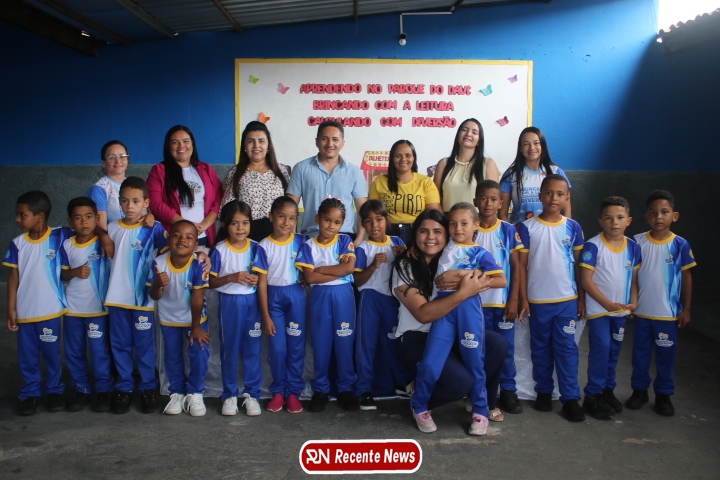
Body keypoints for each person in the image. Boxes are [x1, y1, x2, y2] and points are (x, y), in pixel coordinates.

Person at [391, 209, 508, 434]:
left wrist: (464, 276)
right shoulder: (406, 265)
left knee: (496, 345)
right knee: (459, 381)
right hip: (417, 336)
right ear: (415, 234)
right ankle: (420, 400)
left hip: (454, 327)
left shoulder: (451, 254)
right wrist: (464, 292)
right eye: (423, 231)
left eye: (438, 231)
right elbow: (423, 314)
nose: (430, 237)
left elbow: (495, 277)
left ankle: (481, 404)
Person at [517, 174, 585, 422]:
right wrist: (523, 298)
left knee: (566, 348)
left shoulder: (573, 227)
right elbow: (521, 266)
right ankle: (544, 391)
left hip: (567, 300)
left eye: (559, 194)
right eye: (548, 193)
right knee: (540, 348)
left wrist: (581, 299)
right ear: (540, 196)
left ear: (567, 197)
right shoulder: (526, 227)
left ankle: (570, 398)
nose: (553, 198)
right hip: (537, 301)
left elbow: (580, 267)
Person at [626, 190, 696, 417]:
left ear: (674, 216)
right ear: (646, 216)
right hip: (642, 313)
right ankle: (639, 391)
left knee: (666, 357)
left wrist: (686, 308)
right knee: (640, 355)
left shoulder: (680, 245)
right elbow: (631, 277)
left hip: (667, 315)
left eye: (664, 212)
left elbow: (686, 278)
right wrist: (629, 304)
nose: (659, 217)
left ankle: (664, 395)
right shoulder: (637, 242)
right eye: (653, 212)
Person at [104, 177, 168, 415]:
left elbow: (170, 253)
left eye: (135, 201)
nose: (129, 206)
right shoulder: (111, 228)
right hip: (116, 298)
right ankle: (124, 387)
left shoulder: (154, 228)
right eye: (124, 201)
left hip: (142, 299)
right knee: (120, 344)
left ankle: (148, 387)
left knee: (144, 346)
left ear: (146, 203)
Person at [4, 191, 70, 415]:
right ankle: (30, 393)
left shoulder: (59, 236)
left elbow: (87, 225)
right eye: (17, 215)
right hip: (25, 313)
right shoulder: (17, 244)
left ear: (39, 216)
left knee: (52, 354)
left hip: (50, 311)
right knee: (28, 356)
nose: (17, 219)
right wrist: (11, 309)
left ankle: (54, 390)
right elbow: (13, 278)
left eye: (22, 215)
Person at [579, 196, 641, 419]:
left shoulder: (633, 247)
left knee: (614, 350)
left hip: (620, 311)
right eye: (609, 218)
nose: (615, 222)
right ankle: (592, 395)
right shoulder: (593, 246)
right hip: (600, 310)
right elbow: (586, 280)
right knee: (602, 348)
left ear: (629, 220)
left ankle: (607, 390)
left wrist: (634, 302)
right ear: (600, 221)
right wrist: (607, 304)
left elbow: (634, 279)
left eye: (620, 217)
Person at [295, 198, 359, 412]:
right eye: (327, 220)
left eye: (337, 222)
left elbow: (348, 269)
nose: (331, 226)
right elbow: (310, 278)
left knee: (344, 343)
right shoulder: (308, 246)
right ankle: (321, 389)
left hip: (343, 296)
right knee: (321, 344)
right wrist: (333, 270)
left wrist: (321, 269)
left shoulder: (345, 241)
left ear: (342, 224)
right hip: (320, 296)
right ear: (317, 219)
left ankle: (346, 389)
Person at [352, 200, 411, 410]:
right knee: (366, 345)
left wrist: (403, 256)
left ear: (387, 220)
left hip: (392, 299)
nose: (374, 225)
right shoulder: (362, 248)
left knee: (394, 341)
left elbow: (408, 269)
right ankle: (364, 389)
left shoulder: (397, 242)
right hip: (369, 297)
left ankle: (402, 383)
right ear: (363, 224)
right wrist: (373, 265)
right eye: (368, 221)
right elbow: (357, 281)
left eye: (379, 219)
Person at [473, 180, 524, 418]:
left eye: (493, 199)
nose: (488, 203)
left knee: (506, 349)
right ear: (475, 201)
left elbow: (516, 267)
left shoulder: (508, 230)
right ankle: (481, 392)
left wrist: (513, 300)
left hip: (502, 303)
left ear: (501, 203)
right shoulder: (470, 229)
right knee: (479, 349)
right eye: (483, 198)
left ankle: (508, 390)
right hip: (475, 304)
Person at [149, 221, 210, 417]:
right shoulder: (159, 263)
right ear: (168, 239)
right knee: (172, 357)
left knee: (199, 352)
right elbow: (155, 295)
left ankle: (195, 392)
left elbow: (197, 297)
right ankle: (177, 392)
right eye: (176, 235)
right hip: (169, 319)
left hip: (196, 319)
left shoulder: (199, 264)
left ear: (195, 245)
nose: (182, 240)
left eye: (189, 237)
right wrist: (157, 284)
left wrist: (196, 328)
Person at [253, 196, 307, 414]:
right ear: (271, 217)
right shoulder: (263, 246)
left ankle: (293, 392)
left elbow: (312, 268)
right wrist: (265, 315)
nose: (287, 222)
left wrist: (307, 277)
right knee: (277, 349)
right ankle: (278, 391)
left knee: (296, 347)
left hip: (296, 297)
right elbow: (261, 283)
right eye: (282, 217)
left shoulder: (302, 242)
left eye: (292, 218)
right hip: (273, 299)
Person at [59, 197, 113, 413]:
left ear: (97, 218)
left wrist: (104, 235)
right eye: (78, 218)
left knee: (100, 352)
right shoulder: (66, 244)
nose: (84, 222)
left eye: (89, 217)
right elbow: (62, 273)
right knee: (74, 351)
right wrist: (74, 272)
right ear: (70, 222)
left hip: (97, 310)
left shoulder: (104, 243)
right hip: (72, 309)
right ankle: (81, 389)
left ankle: (104, 390)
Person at [208, 200, 262, 417]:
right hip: (230, 303)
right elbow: (210, 282)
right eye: (235, 223)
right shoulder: (220, 250)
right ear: (224, 225)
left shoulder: (257, 247)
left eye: (245, 223)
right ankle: (229, 395)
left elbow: (263, 276)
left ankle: (252, 394)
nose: (241, 228)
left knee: (252, 350)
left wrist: (256, 279)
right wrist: (231, 277)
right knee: (229, 349)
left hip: (252, 303)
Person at [287, 121, 368, 245]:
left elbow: (363, 210)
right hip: (311, 237)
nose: (330, 144)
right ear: (316, 141)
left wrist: (358, 240)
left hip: (345, 239)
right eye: (324, 138)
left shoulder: (354, 172)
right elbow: (290, 208)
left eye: (335, 139)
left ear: (343, 143)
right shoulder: (301, 169)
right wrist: (293, 241)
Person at [147, 125, 223, 246]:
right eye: (175, 142)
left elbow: (220, 199)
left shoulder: (206, 169)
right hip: (174, 238)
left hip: (204, 235)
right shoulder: (159, 171)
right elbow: (155, 204)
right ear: (168, 146)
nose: (181, 145)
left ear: (192, 144)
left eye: (185, 141)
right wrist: (186, 225)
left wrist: (205, 224)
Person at [221, 121, 290, 242]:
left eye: (261, 141)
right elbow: (227, 209)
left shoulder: (281, 171)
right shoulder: (235, 173)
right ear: (244, 146)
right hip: (246, 235)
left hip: (276, 234)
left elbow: (289, 207)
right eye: (250, 141)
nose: (256, 145)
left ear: (268, 145)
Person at [369, 140, 441, 245]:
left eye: (408, 155)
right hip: (386, 233)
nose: (403, 159)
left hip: (417, 233)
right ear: (392, 159)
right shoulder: (379, 181)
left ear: (414, 158)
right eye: (398, 156)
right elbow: (372, 213)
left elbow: (433, 215)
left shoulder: (426, 182)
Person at [500, 126, 572, 224]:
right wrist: (511, 231)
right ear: (520, 148)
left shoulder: (556, 172)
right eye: (526, 144)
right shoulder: (511, 175)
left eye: (536, 143)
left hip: (550, 230)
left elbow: (566, 211)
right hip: (519, 231)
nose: (532, 148)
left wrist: (563, 229)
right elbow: (502, 213)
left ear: (542, 145)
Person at [433, 119, 500, 212]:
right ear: (458, 135)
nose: (468, 134)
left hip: (477, 219)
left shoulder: (488, 164)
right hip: (447, 219)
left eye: (474, 132)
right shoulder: (443, 164)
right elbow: (435, 200)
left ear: (479, 140)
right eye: (464, 130)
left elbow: (494, 200)